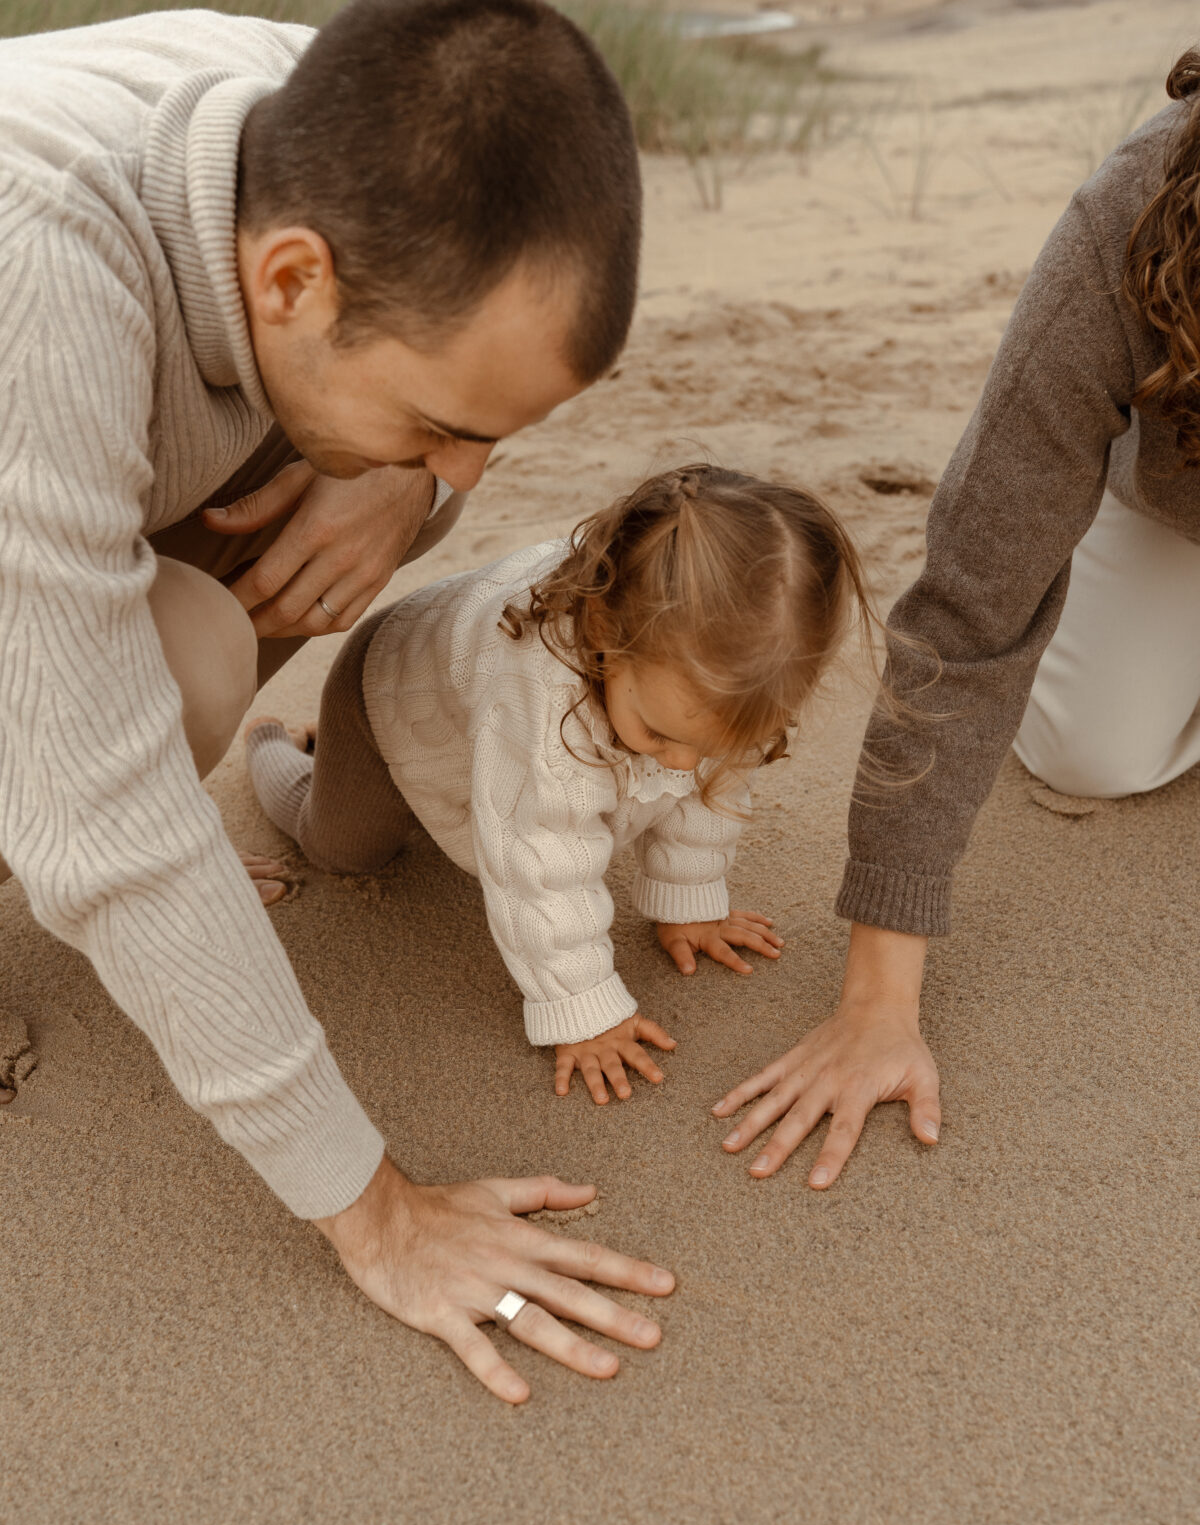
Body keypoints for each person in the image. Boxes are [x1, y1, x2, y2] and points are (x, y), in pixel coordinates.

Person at [0, 0, 676, 1406]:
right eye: (446, 426)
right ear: (294, 280)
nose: (468, 466)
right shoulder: (41, 269)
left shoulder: (307, 122)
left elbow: (446, 403)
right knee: (168, 677)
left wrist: (403, 473)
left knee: (341, 507)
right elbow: (108, 820)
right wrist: (380, 1217)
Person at [713, 48, 1200, 1187]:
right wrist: (876, 1001)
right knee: (1092, 753)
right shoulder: (1122, 228)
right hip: (1176, 499)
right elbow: (969, 612)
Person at [244, 464, 873, 1101]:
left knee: (667, 753)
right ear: (602, 635)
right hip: (387, 700)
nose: (683, 766)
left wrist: (689, 901)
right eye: (660, 735)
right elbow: (539, 861)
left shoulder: (730, 674)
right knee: (343, 850)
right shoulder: (541, 696)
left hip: (476, 720)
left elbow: (711, 785)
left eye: (709, 745)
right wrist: (585, 1009)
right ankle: (276, 747)